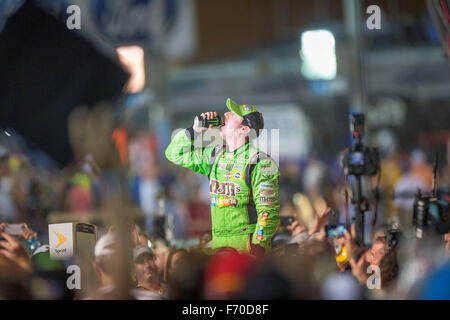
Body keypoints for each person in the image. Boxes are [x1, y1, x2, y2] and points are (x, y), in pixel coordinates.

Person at [165, 98, 280, 256]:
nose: (226, 113)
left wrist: (257, 248)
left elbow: (268, 212)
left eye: (234, 114)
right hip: (218, 246)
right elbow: (173, 153)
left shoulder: (260, 162)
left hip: (246, 246)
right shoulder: (215, 155)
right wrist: (195, 130)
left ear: (245, 129)